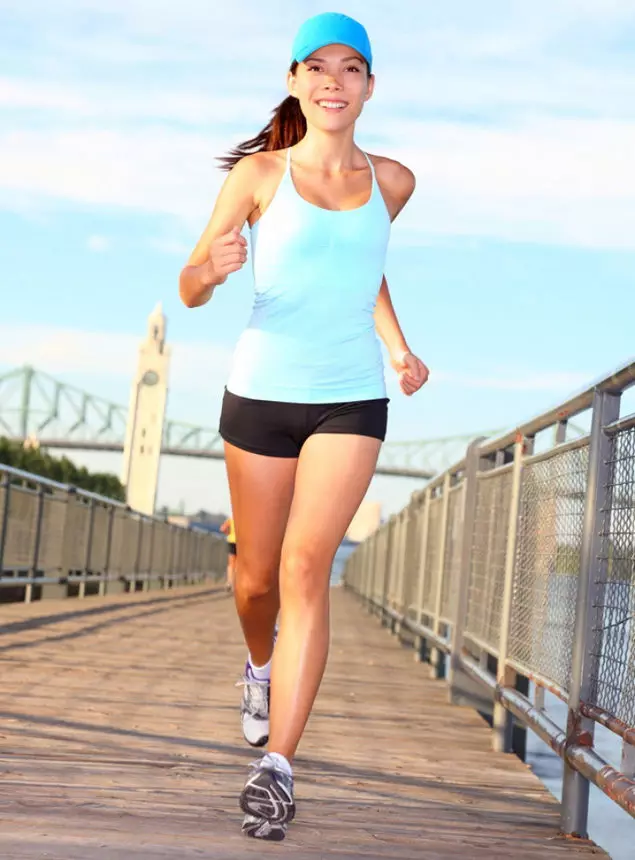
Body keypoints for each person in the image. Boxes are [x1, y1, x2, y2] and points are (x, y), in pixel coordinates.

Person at [179, 12, 429, 841]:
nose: (333, 81)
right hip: (259, 391)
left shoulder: (392, 180)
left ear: (369, 87)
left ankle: (277, 767)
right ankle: (259, 665)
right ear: (293, 81)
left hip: (351, 397)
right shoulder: (259, 175)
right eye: (316, 67)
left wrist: (396, 348)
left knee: (305, 566)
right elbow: (187, 281)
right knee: (254, 580)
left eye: (350, 68)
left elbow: (362, 265)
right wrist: (207, 273)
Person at [219, 515, 237, 592]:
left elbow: (222, 528)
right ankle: (236, 583)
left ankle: (229, 582)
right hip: (242, 542)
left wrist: (228, 533)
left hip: (232, 541)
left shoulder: (231, 519)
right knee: (239, 564)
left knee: (231, 563)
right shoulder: (245, 518)